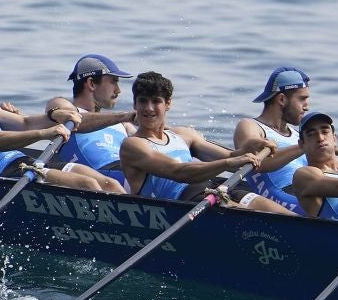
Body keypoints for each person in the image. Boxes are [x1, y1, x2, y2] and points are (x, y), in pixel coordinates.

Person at [0, 56, 125, 192]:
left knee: (110, 185)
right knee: (88, 185)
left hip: (26, 163)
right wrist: (44, 134)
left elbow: (25, 122)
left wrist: (55, 115)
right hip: (3, 176)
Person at [118, 71, 291, 212]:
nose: (149, 108)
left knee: (283, 215)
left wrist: (248, 149)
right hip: (183, 200)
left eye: (156, 101)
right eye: (143, 101)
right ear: (134, 104)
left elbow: (231, 158)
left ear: (168, 104)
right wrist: (230, 161)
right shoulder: (133, 145)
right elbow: (178, 172)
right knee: (257, 218)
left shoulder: (183, 135)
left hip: (214, 186)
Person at [45, 54, 139, 187]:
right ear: (91, 83)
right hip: (104, 176)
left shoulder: (122, 123)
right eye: (113, 82)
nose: (118, 90)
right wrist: (124, 116)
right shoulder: (62, 107)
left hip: (130, 171)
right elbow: (72, 118)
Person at [232, 66, 312, 213]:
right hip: (280, 195)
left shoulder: (298, 135)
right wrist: (304, 146)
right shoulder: (250, 126)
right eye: (302, 99)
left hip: (307, 190)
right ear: (282, 99)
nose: (307, 107)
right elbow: (256, 160)